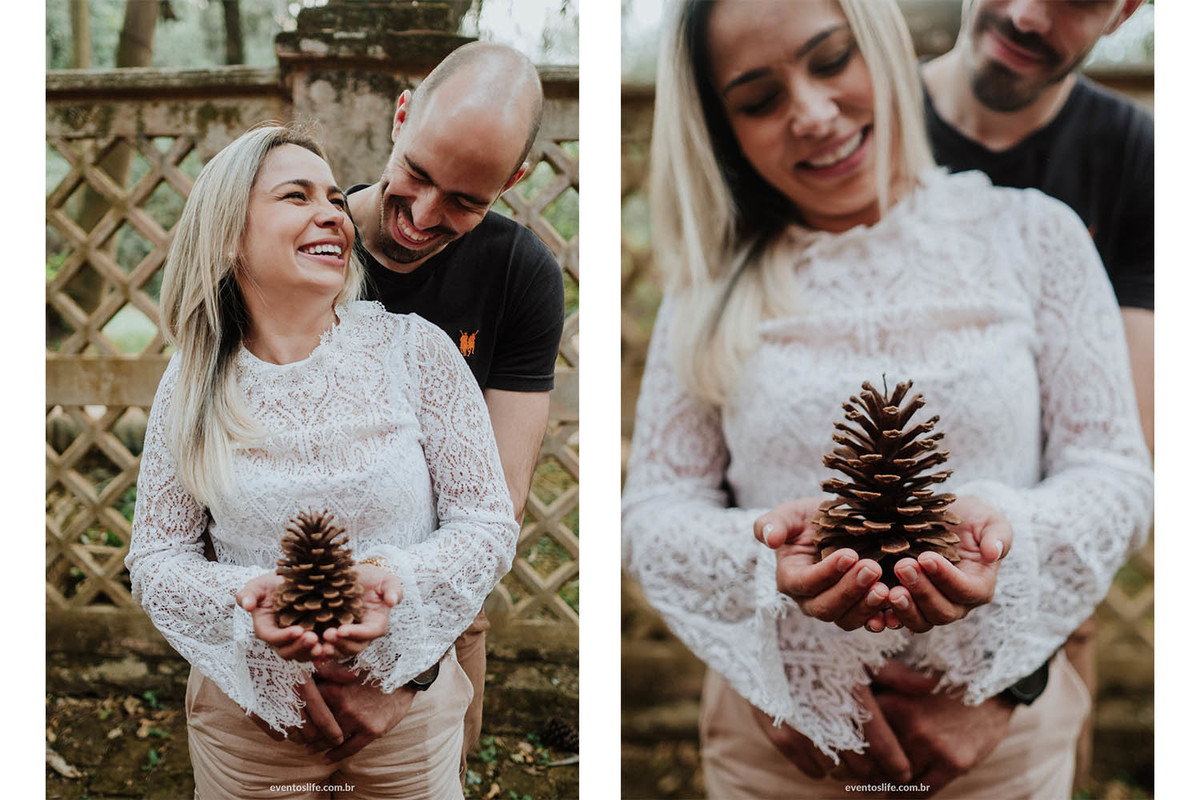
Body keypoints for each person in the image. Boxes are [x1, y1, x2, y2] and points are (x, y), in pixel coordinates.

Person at [620, 1, 1152, 797]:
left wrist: (1003, 662)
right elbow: (654, 515)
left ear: (882, 45)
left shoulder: (1038, 238)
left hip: (999, 749)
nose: (812, 113)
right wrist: (777, 622)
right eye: (760, 100)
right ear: (721, 129)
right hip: (777, 754)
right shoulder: (707, 294)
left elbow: (1115, 475)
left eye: (832, 60)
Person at [126, 124, 519, 799]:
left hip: (409, 720)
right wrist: (244, 602)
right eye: (296, 195)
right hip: (251, 729)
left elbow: (486, 523)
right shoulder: (191, 383)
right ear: (228, 235)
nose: (333, 214)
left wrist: (391, 587)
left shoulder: (416, 352)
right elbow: (157, 559)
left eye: (336, 199)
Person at [921, 0, 1153, 784]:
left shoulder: (1132, 155)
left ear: (1125, 14)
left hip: (1047, 608)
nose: (1026, 13)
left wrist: (1013, 680)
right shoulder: (858, 122)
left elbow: (1124, 446)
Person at [344, 41, 565, 774]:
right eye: (417, 173)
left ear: (514, 181)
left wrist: (413, 667)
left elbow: (502, 494)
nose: (422, 215)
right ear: (402, 116)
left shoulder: (521, 274)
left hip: (442, 614)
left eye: (467, 201)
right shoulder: (307, 245)